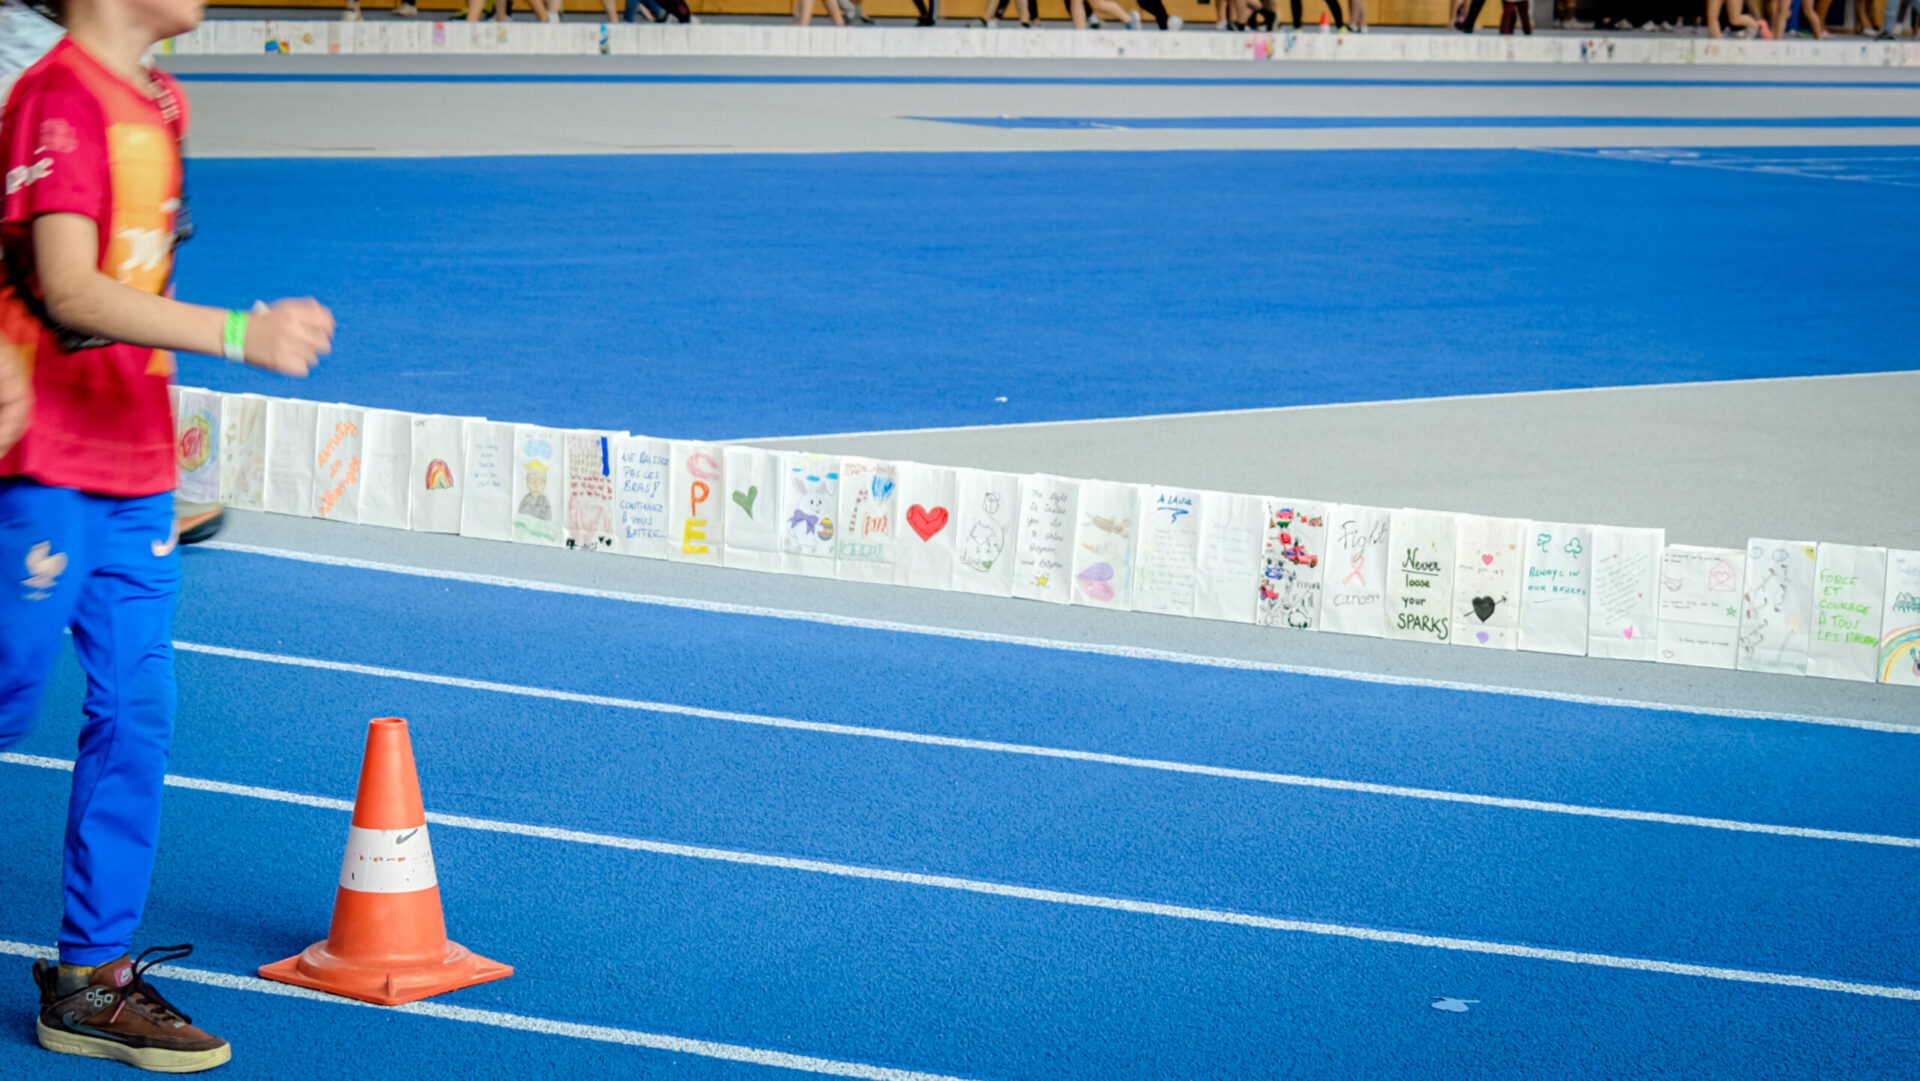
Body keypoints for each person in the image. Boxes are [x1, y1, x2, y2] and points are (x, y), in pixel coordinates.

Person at [1, 0, 334, 1070]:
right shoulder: (54, 99)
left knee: (137, 711)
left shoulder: (161, 96)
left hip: (135, 462)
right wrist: (243, 333)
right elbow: (67, 284)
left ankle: (94, 977)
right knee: (7, 695)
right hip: (42, 460)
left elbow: (128, 282)